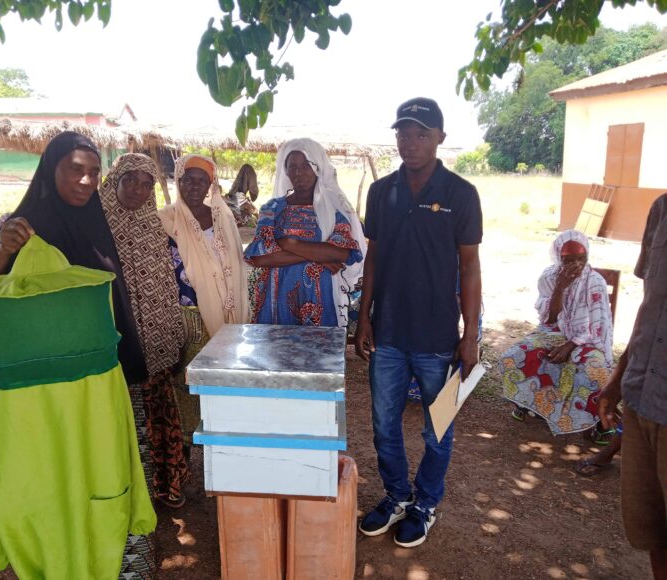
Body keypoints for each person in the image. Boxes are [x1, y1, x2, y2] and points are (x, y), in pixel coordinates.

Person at [0, 132, 161, 577]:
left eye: (94, 171)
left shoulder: (94, 219)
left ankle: (121, 565)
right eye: (76, 169)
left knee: (109, 471)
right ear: (52, 169)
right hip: (45, 390)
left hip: (99, 378)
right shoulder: (27, 222)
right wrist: (3, 250)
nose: (87, 180)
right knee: (61, 470)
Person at [355, 98, 482, 547]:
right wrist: (364, 316)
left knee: (438, 427)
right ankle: (396, 497)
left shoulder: (460, 194)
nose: (410, 143)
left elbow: (470, 267)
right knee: (384, 425)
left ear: (440, 138)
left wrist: (471, 336)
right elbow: (373, 256)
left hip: (440, 339)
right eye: (403, 134)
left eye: (421, 134)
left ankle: (425, 504)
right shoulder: (381, 191)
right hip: (387, 334)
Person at [98, 153, 189, 512]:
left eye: (145, 183)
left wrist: (172, 334)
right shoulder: (97, 225)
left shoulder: (153, 225)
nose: (137, 189)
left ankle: (164, 487)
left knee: (157, 411)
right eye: (130, 180)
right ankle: (126, 495)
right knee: (123, 418)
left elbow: (164, 284)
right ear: (115, 180)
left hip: (158, 343)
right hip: (116, 342)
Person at [597, 193, 666, 579]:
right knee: (653, 530)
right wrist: (620, 377)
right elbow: (650, 304)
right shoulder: (662, 209)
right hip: (643, 398)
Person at [159, 154, 250, 444]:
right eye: (189, 180)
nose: (195, 186)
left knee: (222, 387)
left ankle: (222, 451)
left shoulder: (223, 217)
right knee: (186, 388)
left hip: (229, 317)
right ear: (179, 181)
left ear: (211, 184)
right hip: (188, 316)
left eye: (203, 181)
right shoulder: (165, 220)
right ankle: (185, 454)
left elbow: (236, 265)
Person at [500, 229, 613, 437]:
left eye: (581, 258)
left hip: (588, 339)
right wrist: (561, 287)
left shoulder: (595, 281)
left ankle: (594, 422)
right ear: (558, 258)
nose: (576, 265)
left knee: (594, 368)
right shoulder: (549, 277)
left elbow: (598, 326)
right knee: (517, 355)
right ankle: (533, 404)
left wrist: (571, 345)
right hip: (555, 331)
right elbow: (550, 319)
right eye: (568, 260)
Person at [244, 138, 366, 327]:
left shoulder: (334, 209)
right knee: (276, 352)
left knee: (318, 352)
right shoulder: (273, 208)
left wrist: (290, 244)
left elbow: (342, 252)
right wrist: (319, 256)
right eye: (292, 167)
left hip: (321, 296)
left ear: (318, 167)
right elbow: (259, 258)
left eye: (305, 165)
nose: (298, 173)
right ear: (285, 171)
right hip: (275, 295)